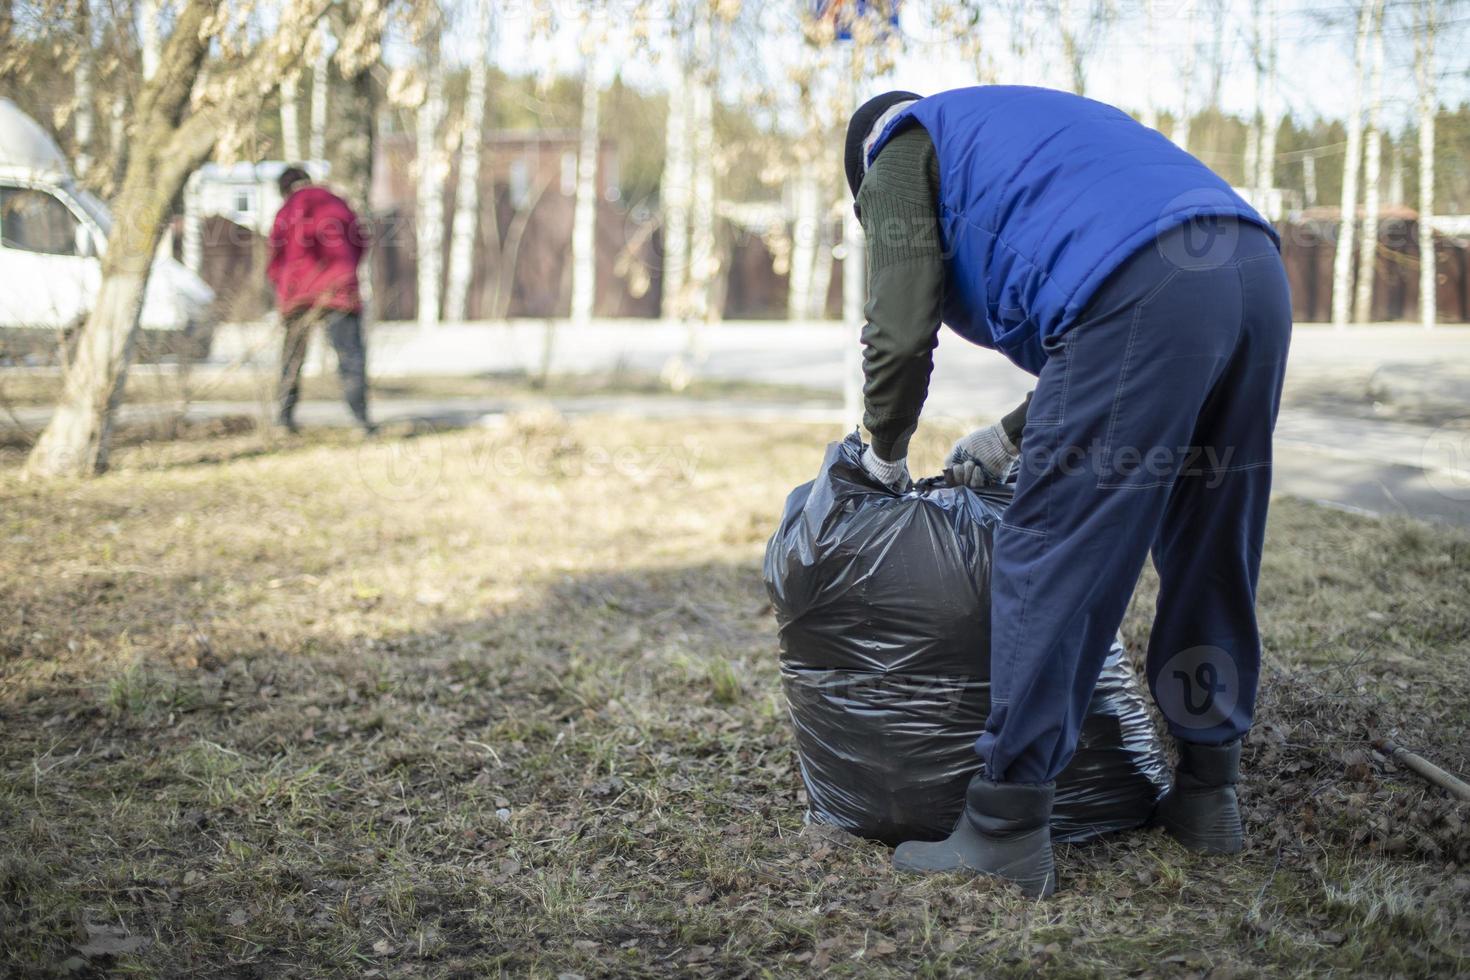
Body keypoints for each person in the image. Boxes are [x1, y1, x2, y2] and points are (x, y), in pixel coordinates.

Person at [845, 87, 1292, 897]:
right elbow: (1106, 354)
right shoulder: (1021, 128)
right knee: (1210, 541)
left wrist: (881, 453)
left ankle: (1006, 824)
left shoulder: (897, 149)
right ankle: (1207, 792)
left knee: (1053, 546)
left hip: (1143, 285)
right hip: (1254, 269)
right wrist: (1014, 434)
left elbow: (902, 331)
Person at [266, 165, 373, 434]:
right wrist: (344, 274)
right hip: (339, 290)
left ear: (283, 188)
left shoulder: (287, 210)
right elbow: (360, 242)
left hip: (298, 295)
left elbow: (275, 257)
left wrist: (283, 287)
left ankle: (283, 420)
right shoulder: (337, 202)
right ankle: (361, 421)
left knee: (292, 358)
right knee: (350, 356)